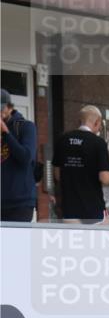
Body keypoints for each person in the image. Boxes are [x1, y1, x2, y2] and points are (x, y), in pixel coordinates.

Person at [52, 105, 109, 223]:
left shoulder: (62, 140)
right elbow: (105, 178)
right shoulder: (98, 143)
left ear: (79, 121)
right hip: (93, 210)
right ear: (97, 122)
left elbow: (58, 175)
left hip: (69, 209)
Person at [0, 89, 38, 222]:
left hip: (20, 203)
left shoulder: (26, 127)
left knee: (17, 242)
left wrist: (6, 133)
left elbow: (26, 157)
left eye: (0, 108)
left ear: (10, 108)